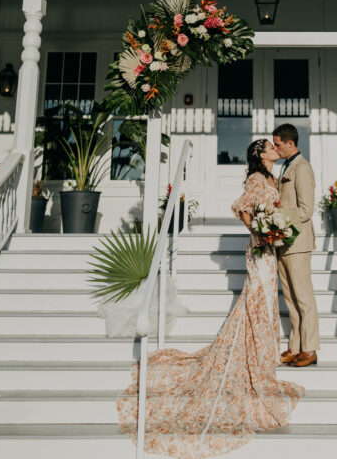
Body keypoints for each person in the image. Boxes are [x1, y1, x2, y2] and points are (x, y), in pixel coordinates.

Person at [117, 137, 304, 458]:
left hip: (271, 248)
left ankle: (262, 348)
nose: (275, 149)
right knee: (257, 298)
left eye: (276, 146)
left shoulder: (274, 177)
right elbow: (241, 208)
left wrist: (274, 229)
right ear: (259, 155)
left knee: (264, 300)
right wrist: (258, 233)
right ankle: (252, 351)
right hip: (259, 249)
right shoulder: (256, 178)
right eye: (269, 147)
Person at [272, 123, 319, 367]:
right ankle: (295, 346)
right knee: (290, 298)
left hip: (298, 242)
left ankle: (310, 349)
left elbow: (306, 210)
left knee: (303, 297)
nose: (275, 149)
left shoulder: (302, 168)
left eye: (278, 144)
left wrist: (280, 222)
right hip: (283, 242)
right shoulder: (286, 166)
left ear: (290, 143)